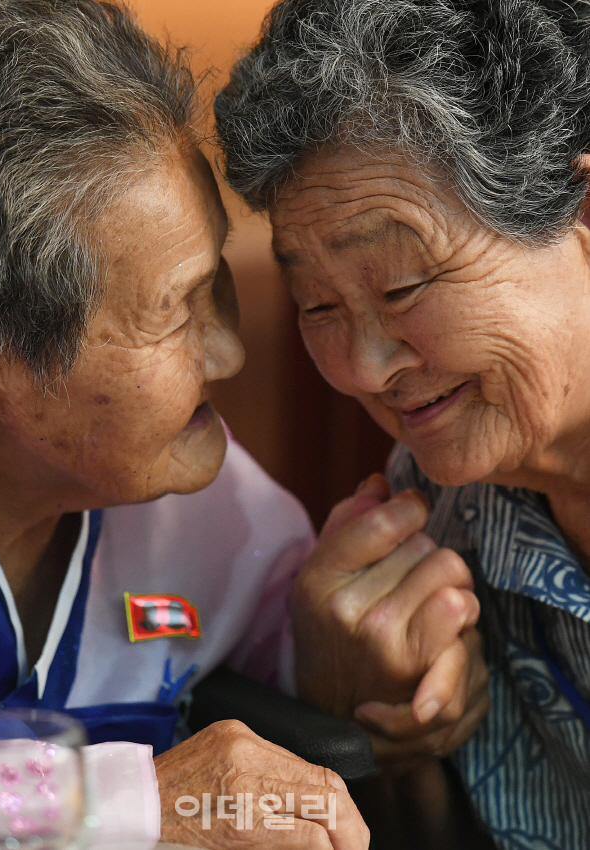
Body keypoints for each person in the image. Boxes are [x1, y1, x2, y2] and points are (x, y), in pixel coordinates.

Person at [0, 0, 489, 848]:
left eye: (215, 277)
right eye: (173, 311)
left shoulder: (209, 509)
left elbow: (288, 664)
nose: (229, 353)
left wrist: (359, 661)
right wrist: (130, 807)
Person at [215, 0, 590, 847]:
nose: (362, 370)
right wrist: (363, 727)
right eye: (316, 304)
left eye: (401, 289)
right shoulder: (429, 510)